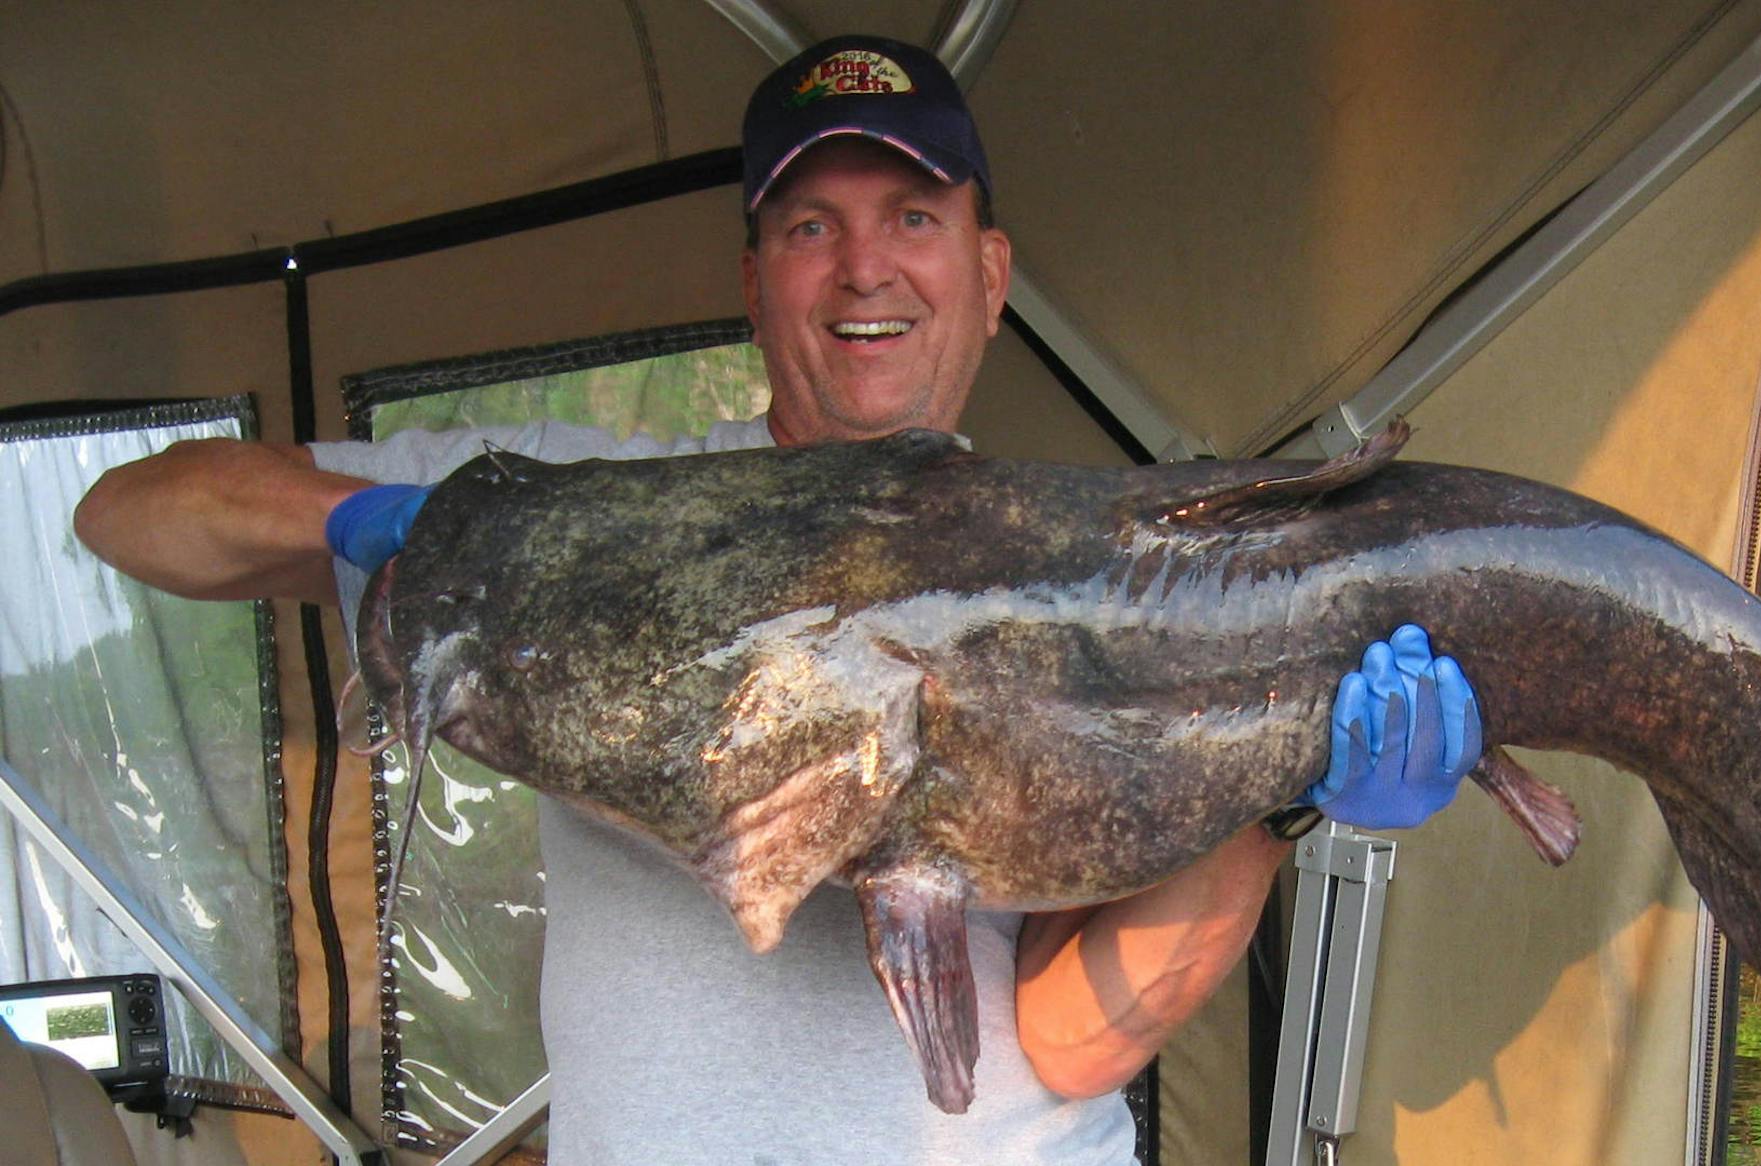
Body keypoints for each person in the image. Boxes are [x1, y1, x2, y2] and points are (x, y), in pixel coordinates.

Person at [73, 35, 1480, 1165]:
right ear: (754, 283)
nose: (866, 267)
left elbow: (1067, 1041)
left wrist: (1278, 795)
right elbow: (131, 513)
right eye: (813, 224)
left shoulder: (1100, 568)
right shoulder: (568, 506)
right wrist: (427, 530)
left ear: (990, 275)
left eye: (913, 217)